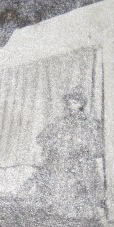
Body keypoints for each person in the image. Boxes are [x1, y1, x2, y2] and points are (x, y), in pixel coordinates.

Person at [34, 91, 104, 219]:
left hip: (84, 162)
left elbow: (99, 146)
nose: (71, 105)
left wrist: (88, 149)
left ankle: (87, 214)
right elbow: (41, 138)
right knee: (65, 187)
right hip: (65, 161)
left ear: (81, 104)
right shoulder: (61, 122)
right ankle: (64, 213)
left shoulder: (91, 123)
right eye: (69, 103)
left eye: (75, 103)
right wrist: (56, 146)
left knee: (85, 188)